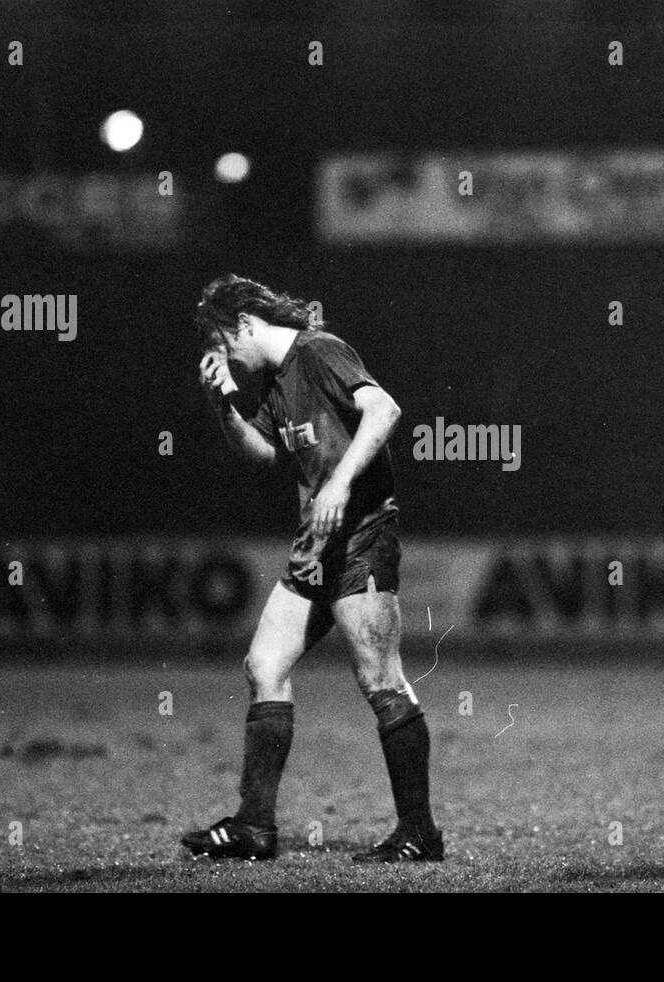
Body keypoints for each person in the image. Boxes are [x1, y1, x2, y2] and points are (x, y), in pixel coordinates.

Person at [180, 274, 443, 863]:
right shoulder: (276, 385)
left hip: (360, 539)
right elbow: (263, 457)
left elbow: (385, 409)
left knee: (380, 679)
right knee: (264, 664)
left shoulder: (320, 351)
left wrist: (340, 484)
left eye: (224, 339)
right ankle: (254, 827)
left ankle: (419, 831)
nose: (225, 354)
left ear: (244, 323)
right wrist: (222, 403)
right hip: (314, 549)